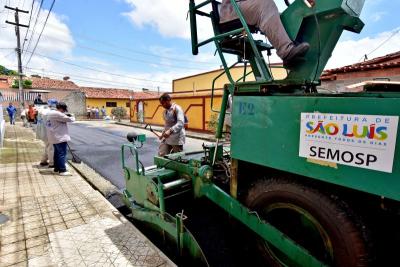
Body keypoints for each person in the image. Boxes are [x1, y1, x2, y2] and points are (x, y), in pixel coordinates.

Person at [219, 0, 312, 67]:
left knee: (280, 15)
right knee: (266, 4)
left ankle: (291, 51)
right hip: (231, 8)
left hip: (242, 5)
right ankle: (286, 51)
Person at [46, 102, 75, 176]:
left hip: (54, 137)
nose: (64, 111)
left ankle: (56, 169)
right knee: (62, 153)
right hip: (59, 137)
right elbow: (71, 119)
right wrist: (72, 116)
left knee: (57, 153)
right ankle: (62, 170)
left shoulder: (51, 113)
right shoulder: (58, 114)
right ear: (62, 108)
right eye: (64, 109)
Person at [37, 99, 57, 167]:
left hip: (42, 132)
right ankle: (52, 163)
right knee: (51, 148)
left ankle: (43, 161)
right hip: (48, 133)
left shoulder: (43, 110)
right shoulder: (50, 112)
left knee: (47, 146)